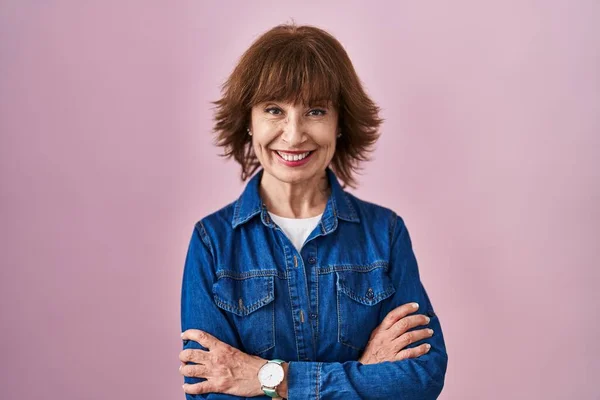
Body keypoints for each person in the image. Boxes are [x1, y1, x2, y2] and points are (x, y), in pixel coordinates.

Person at [179, 23, 448, 399]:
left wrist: (271, 379)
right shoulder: (212, 241)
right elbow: (210, 393)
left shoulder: (384, 233)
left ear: (340, 124)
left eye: (316, 111)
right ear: (249, 121)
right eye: (274, 109)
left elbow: (420, 377)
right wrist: (361, 376)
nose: (293, 135)